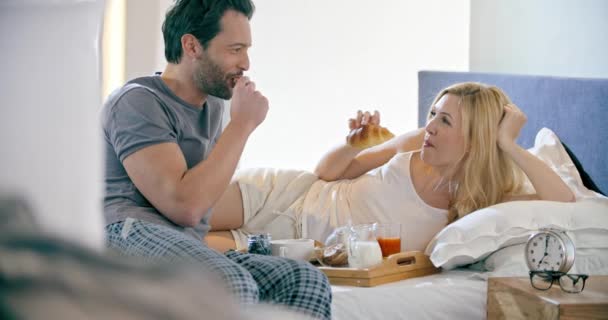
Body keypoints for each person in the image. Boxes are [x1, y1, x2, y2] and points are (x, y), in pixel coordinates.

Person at [101, 0, 332, 319]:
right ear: (192, 45)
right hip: (126, 233)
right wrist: (242, 125)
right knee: (226, 284)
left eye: (247, 50)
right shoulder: (138, 101)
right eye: (235, 49)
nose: (246, 63)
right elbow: (186, 206)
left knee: (304, 280)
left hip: (184, 243)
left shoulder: (213, 107)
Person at [206, 82, 575, 252]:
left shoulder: (486, 199)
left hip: (293, 247)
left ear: (476, 139)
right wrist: (350, 145)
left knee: (172, 247)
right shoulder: (416, 142)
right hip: (283, 195)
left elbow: (563, 201)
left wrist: (507, 143)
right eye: (434, 114)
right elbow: (326, 173)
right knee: (170, 212)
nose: (429, 126)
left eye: (445, 121)